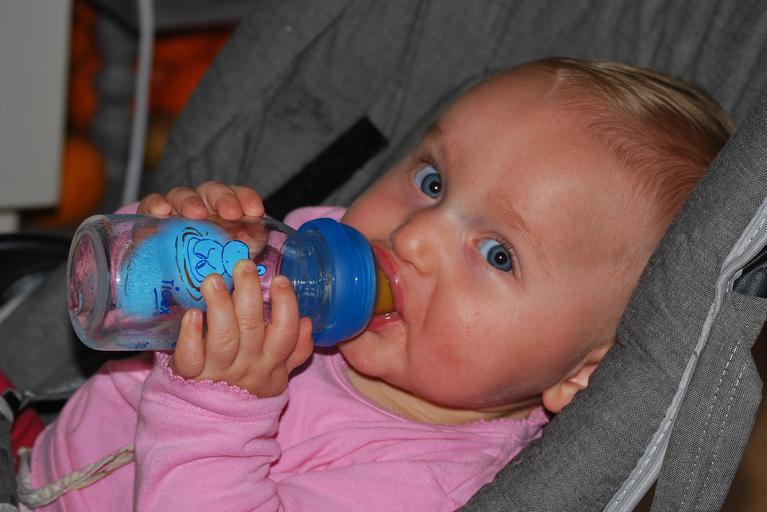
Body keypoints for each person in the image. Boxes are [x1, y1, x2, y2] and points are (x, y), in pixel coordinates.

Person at [19, 58, 734, 511]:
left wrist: (216, 407)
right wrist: (168, 250)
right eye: (433, 182)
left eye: (497, 255)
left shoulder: (430, 483)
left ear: (583, 374)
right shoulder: (303, 252)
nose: (415, 236)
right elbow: (124, 323)